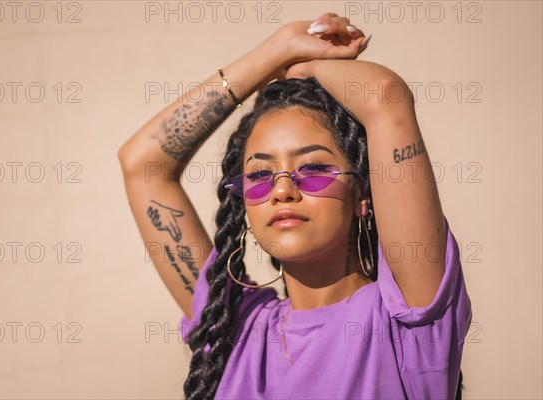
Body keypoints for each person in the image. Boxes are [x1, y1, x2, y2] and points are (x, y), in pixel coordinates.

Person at [119, 13, 472, 399]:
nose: (282, 189)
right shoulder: (233, 329)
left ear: (363, 197)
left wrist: (302, 68)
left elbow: (384, 96)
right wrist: (276, 50)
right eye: (259, 174)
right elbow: (143, 163)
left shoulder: (407, 318)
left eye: (314, 168)